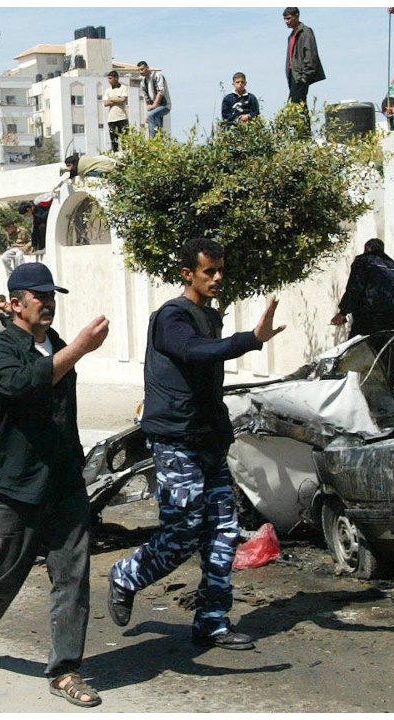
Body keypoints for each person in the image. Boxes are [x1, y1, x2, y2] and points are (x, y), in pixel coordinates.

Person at [108, 237, 285, 649]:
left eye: (221, 270)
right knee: (184, 531)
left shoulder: (210, 315)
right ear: (188, 274)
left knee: (224, 533)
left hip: (209, 441)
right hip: (176, 441)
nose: (218, 277)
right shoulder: (172, 317)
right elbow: (193, 351)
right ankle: (126, 576)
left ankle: (211, 620)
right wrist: (250, 339)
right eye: (210, 271)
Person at [0, 263, 109, 708]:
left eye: (51, 294)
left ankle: (65, 670)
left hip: (62, 481)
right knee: (10, 569)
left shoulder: (57, 345)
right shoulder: (0, 348)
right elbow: (23, 384)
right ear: (15, 303)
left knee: (72, 576)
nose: (48, 302)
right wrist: (79, 349)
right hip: (13, 484)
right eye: (38, 295)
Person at [331, 238, 394, 337]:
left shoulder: (364, 262)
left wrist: (343, 312)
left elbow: (355, 288)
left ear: (368, 249)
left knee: (358, 351)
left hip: (371, 320)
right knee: (390, 351)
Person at [283, 7, 325, 107]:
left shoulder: (305, 32)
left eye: (289, 18)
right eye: (285, 19)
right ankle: (303, 123)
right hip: (293, 75)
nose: (286, 22)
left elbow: (311, 54)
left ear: (297, 16)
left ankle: (302, 123)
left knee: (295, 105)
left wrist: (305, 77)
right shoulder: (291, 36)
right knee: (298, 106)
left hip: (301, 76)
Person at [136, 60, 171, 134]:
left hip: (164, 105)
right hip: (155, 108)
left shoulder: (157, 75)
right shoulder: (143, 82)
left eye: (142, 69)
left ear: (147, 67)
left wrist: (155, 105)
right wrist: (150, 109)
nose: (141, 72)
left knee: (151, 115)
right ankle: (158, 142)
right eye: (139, 70)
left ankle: (153, 140)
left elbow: (161, 91)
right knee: (154, 122)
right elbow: (147, 99)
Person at [102, 70, 129, 152]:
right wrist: (117, 98)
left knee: (125, 140)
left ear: (116, 78)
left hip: (122, 118)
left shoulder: (123, 88)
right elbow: (105, 103)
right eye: (108, 79)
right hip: (111, 119)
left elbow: (123, 99)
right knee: (114, 141)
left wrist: (111, 99)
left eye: (110, 78)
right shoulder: (108, 90)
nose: (109, 81)